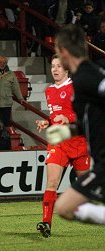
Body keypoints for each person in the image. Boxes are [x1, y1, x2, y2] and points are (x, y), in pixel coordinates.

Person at [48, 24, 105, 226]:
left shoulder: (86, 77)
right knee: (65, 208)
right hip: (99, 161)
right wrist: (68, 131)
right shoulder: (85, 76)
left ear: (63, 51)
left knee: (64, 207)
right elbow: (91, 121)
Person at [35, 54, 90, 237]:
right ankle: (46, 223)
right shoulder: (49, 90)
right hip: (58, 142)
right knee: (51, 182)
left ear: (66, 69)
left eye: (59, 66)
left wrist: (69, 118)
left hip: (78, 140)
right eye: (53, 66)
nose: (55, 69)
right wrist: (47, 122)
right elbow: (55, 115)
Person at [0, 56, 24, 126]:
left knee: (6, 124)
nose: (2, 64)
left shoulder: (11, 74)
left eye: (4, 62)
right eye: (0, 62)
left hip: (6, 103)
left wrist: (20, 98)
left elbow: (16, 87)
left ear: (7, 63)